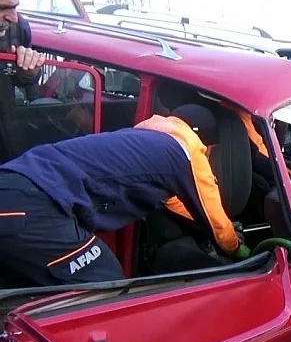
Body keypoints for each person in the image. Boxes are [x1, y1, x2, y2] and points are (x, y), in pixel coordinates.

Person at [0, 104, 249, 287]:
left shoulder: (148, 139)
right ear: (205, 142)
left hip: (12, 187)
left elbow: (175, 202)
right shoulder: (187, 151)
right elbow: (214, 219)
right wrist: (236, 248)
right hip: (34, 206)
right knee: (106, 281)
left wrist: (204, 227)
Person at [0, 0, 47, 158]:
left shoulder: (18, 28)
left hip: (7, 145)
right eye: (2, 7)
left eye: (14, 6)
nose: (13, 17)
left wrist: (29, 71)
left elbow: (16, 79)